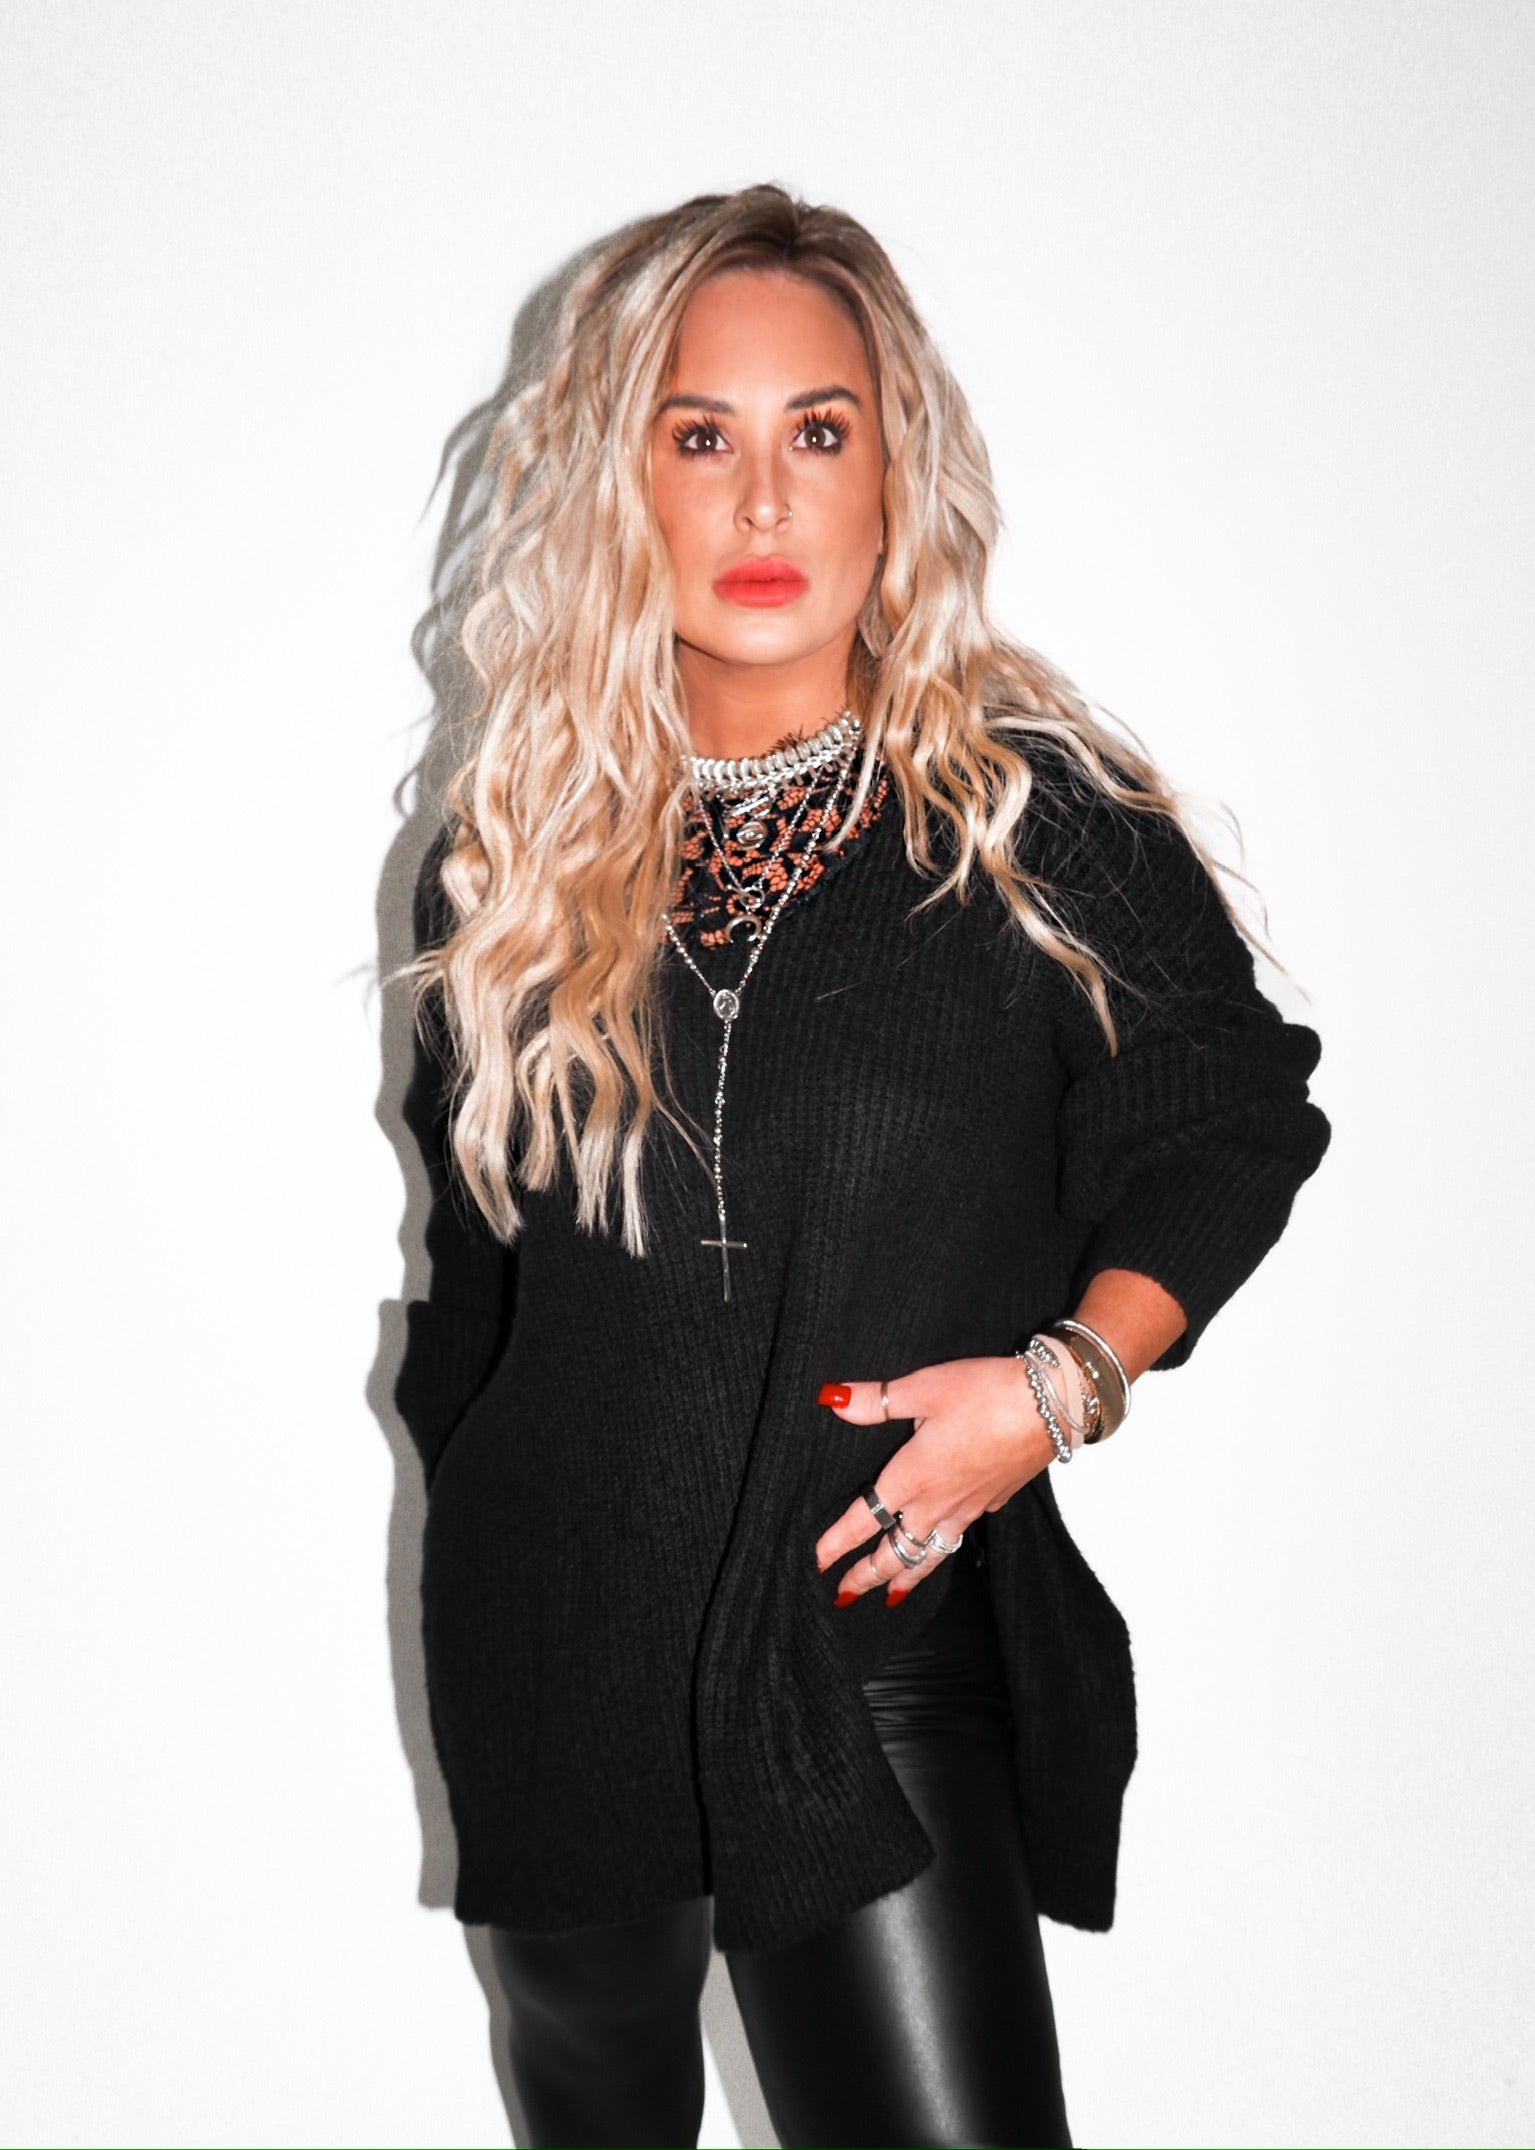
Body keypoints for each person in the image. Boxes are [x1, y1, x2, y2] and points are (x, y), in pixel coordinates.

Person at [393, 184, 1330, 2149]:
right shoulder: (509, 862)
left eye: (816, 431)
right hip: (556, 1649)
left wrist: (1056, 1389)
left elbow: (1232, 1110)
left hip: (863, 1621)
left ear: (893, 471)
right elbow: (474, 1288)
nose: (761, 499)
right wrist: (494, 1499)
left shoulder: (1030, 822)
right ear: (620, 481)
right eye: (698, 435)